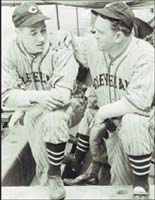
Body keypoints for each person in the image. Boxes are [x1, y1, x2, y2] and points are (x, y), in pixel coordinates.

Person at [57, 2, 154, 199]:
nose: (94, 33)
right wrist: (60, 36)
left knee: (132, 123)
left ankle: (142, 186)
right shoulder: (96, 44)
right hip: (111, 126)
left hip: (140, 125)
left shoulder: (145, 54)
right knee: (118, 182)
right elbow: (76, 44)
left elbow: (137, 103)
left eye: (99, 31)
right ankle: (89, 167)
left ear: (118, 36)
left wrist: (100, 115)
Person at [1, 2, 84, 200]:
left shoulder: (58, 46)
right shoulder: (11, 53)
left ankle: (56, 175)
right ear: (18, 32)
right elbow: (5, 96)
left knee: (52, 119)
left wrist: (23, 102)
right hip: (38, 108)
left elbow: (62, 96)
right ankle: (59, 171)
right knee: (42, 165)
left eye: (43, 30)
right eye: (33, 32)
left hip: (73, 104)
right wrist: (29, 102)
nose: (41, 38)